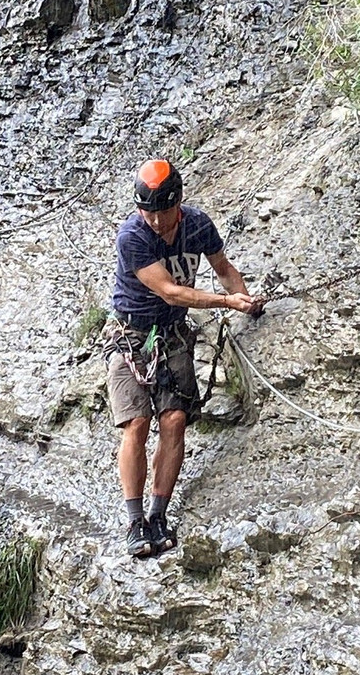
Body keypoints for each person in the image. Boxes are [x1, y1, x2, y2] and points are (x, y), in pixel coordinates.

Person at [104, 158, 263, 558]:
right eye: (148, 212)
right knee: (137, 423)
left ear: (179, 202)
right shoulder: (132, 236)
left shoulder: (198, 225)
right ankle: (134, 520)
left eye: (163, 211)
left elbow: (223, 268)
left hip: (173, 333)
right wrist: (226, 302)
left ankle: (159, 514)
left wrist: (243, 299)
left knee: (174, 420)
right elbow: (171, 292)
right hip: (131, 333)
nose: (156, 221)